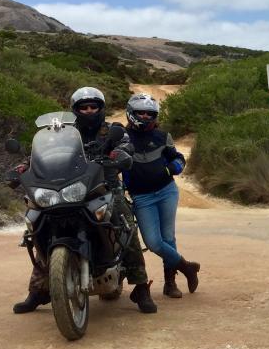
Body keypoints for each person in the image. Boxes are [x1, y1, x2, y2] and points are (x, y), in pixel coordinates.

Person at [12, 87, 157, 314]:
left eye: (93, 107)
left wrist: (119, 155)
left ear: (101, 108)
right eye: (84, 107)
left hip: (105, 186)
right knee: (39, 226)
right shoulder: (63, 132)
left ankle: (140, 287)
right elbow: (43, 152)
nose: (89, 111)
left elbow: (125, 146)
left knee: (124, 222)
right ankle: (38, 290)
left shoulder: (113, 130)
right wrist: (24, 165)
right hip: (67, 187)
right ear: (75, 110)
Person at [123, 93, 201, 298]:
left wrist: (172, 168)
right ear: (131, 113)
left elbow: (177, 157)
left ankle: (170, 284)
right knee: (153, 242)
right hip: (141, 196)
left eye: (150, 113)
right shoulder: (121, 137)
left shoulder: (162, 136)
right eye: (141, 112)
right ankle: (187, 267)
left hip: (167, 191)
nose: (145, 117)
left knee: (168, 237)